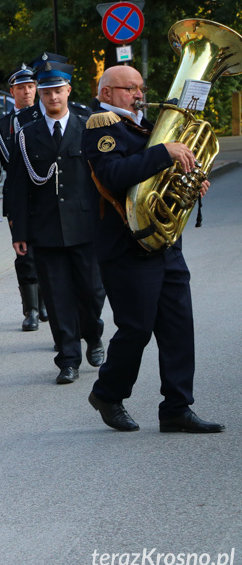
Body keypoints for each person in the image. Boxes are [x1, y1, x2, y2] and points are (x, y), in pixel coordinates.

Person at [82, 65, 224, 433]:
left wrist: (191, 182)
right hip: (126, 246)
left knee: (179, 326)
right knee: (137, 328)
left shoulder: (148, 127)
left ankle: (177, 407)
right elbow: (113, 176)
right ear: (107, 92)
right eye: (129, 89)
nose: (139, 94)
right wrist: (164, 152)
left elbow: (162, 177)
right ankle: (108, 393)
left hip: (164, 242)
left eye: (140, 87)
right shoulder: (102, 126)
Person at [9, 61, 106, 385]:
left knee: (92, 292)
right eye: (46, 91)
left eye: (57, 90)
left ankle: (93, 335)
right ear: (40, 93)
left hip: (85, 227)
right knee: (57, 295)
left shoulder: (87, 127)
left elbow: (102, 180)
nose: (52, 96)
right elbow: (18, 186)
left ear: (68, 91)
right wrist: (19, 231)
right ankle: (68, 359)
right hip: (46, 229)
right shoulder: (27, 135)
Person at [0, 64, 47, 332]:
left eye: (31, 86)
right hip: (17, 199)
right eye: (21, 87)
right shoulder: (0, 127)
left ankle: (46, 301)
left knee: (49, 249)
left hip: (46, 193)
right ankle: (31, 309)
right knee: (25, 253)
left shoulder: (47, 117)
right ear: (12, 91)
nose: (27, 91)